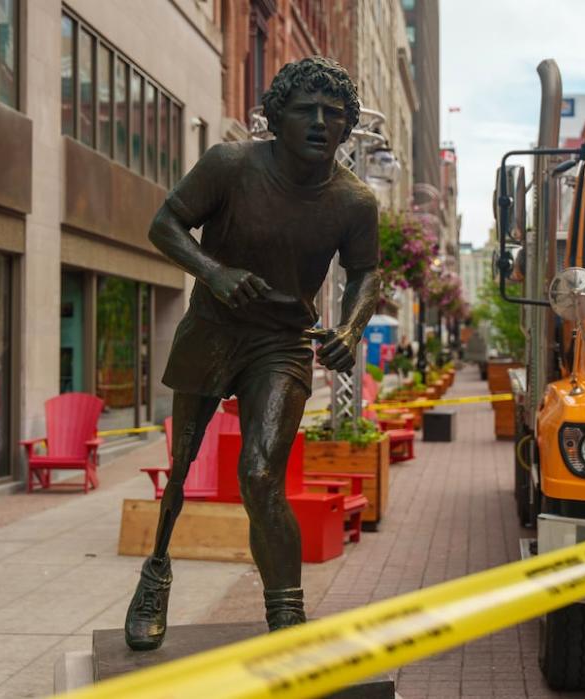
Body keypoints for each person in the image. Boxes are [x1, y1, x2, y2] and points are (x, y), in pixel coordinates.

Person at [123, 56, 381, 651]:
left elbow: (366, 274)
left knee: (261, 474)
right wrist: (212, 273)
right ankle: (156, 570)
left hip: (282, 343)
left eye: (334, 114)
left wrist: (351, 327)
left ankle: (286, 616)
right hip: (213, 327)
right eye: (305, 111)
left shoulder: (354, 201)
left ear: (346, 128)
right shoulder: (230, 165)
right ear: (274, 118)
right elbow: (165, 225)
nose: (321, 123)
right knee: (182, 465)